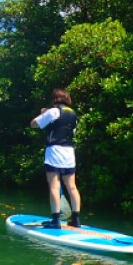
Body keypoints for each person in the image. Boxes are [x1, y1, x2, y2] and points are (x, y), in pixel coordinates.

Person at [30, 88, 82, 229]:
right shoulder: (73, 115)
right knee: (72, 186)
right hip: (69, 152)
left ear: (55, 99)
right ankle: (76, 220)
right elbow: (70, 131)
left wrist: (43, 113)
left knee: (54, 185)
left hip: (54, 151)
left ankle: (55, 221)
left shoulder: (53, 111)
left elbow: (33, 124)